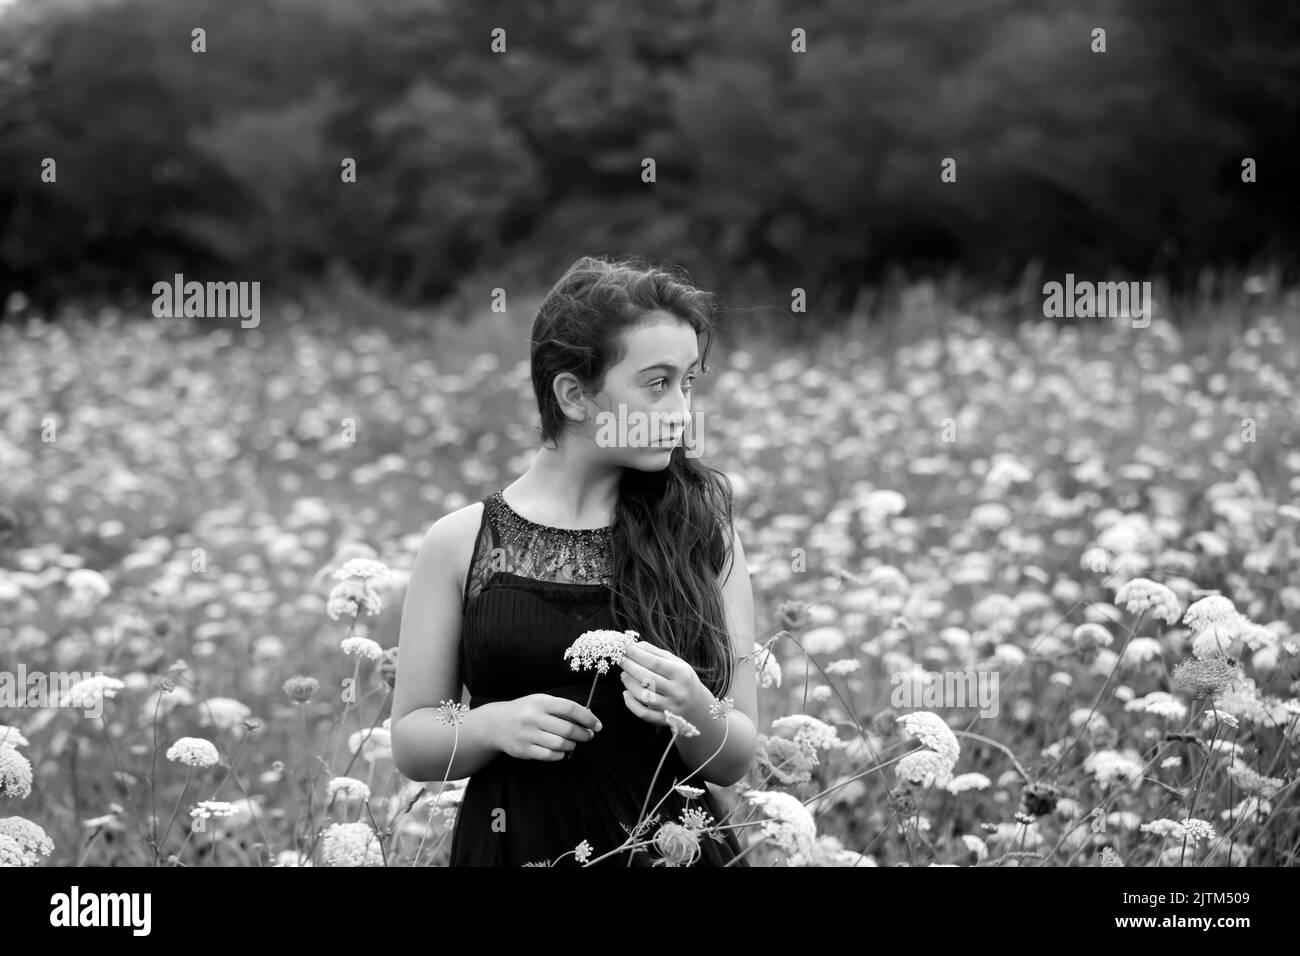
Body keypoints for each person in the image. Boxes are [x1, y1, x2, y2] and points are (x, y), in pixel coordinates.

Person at [392, 255, 759, 866]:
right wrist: (491, 726)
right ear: (573, 395)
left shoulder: (702, 534)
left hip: (672, 852)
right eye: (656, 383)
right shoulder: (459, 542)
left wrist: (696, 708)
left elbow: (737, 755)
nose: (681, 411)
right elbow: (412, 740)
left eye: (689, 382)